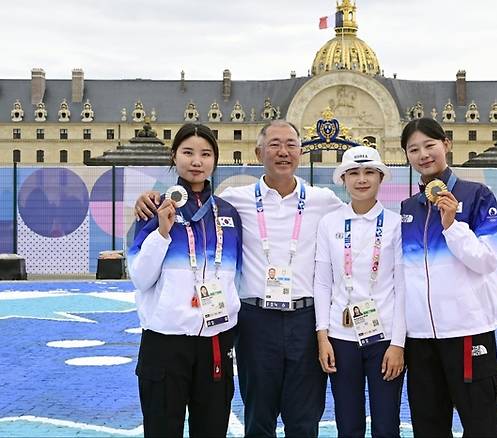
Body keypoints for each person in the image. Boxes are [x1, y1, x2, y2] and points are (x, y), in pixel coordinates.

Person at [134, 120, 344, 437]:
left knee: (303, 421)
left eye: (290, 144)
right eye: (274, 144)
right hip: (252, 323)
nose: (283, 152)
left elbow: (362, 220)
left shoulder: (322, 201)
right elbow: (141, 274)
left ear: (301, 152)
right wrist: (153, 213)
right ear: (259, 152)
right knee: (258, 419)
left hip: (299, 319)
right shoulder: (232, 202)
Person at [127, 123, 242, 437]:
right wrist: (162, 232)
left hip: (215, 340)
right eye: (188, 152)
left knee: (211, 430)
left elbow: (238, 276)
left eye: (206, 154)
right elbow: (139, 277)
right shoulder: (154, 208)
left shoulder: (229, 213)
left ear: (215, 161)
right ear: (173, 156)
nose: (197, 161)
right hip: (165, 342)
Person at [399, 117, 497, 437]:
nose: (423, 155)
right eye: (413, 149)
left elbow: (487, 261)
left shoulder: (477, 196)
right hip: (420, 341)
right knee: (428, 428)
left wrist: (452, 226)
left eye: (429, 145)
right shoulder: (408, 208)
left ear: (446, 144)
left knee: (481, 426)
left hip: (468, 333)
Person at [314, 146, 406, 438]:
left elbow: (403, 287)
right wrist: (322, 336)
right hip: (341, 338)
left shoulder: (395, 224)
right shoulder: (329, 223)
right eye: (353, 173)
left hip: (385, 337)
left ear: (380, 178)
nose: (362, 179)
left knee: (386, 424)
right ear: (343, 179)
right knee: (348, 423)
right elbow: (322, 282)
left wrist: (399, 345)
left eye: (369, 173)